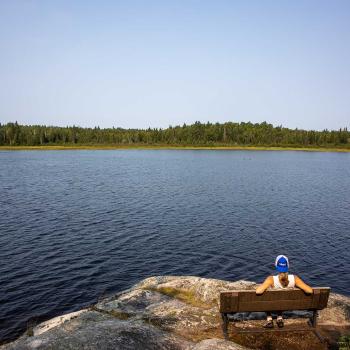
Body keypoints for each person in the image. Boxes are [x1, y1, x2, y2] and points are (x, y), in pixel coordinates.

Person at [256, 255, 313, 328]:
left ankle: (269, 319)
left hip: (272, 305)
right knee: (282, 298)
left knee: (266, 296)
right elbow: (310, 291)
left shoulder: (271, 279)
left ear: (276, 265)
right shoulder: (294, 278)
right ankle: (279, 318)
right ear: (287, 266)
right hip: (287, 305)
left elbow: (258, 291)